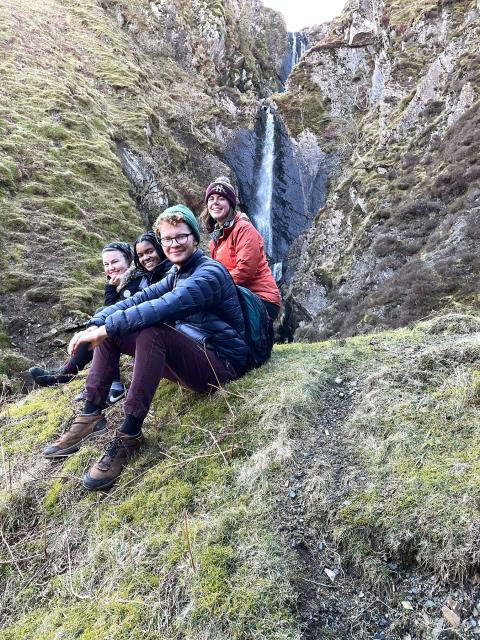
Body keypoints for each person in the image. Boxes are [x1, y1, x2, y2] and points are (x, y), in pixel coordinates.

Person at [43, 205, 248, 493]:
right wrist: (96, 324)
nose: (173, 244)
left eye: (181, 236)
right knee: (115, 331)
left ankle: (129, 434)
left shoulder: (209, 273)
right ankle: (90, 415)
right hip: (192, 353)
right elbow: (139, 299)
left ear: (195, 238)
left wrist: (109, 326)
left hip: (221, 364)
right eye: (167, 239)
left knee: (151, 329)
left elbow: (164, 306)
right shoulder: (177, 273)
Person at [200, 176, 281, 320]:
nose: (215, 203)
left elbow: (245, 270)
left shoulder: (244, 228)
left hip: (260, 298)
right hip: (238, 295)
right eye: (211, 199)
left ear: (231, 203)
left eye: (221, 198)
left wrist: (214, 287)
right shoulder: (215, 240)